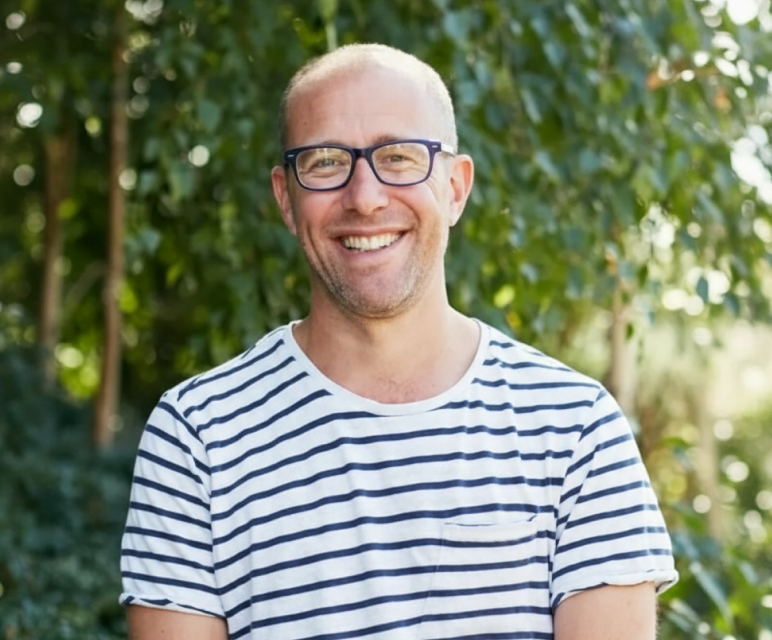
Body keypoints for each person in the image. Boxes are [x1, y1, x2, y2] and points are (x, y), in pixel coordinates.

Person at [120, 43, 678, 640]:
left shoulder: (575, 429)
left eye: (399, 157)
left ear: (455, 188)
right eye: (326, 161)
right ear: (285, 197)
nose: (365, 197)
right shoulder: (198, 438)